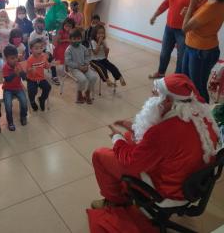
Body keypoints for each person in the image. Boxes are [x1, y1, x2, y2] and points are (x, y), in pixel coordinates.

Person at [91, 74, 219, 209]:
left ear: (169, 100)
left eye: (156, 93)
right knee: (130, 136)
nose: (152, 95)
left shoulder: (164, 132)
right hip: (191, 182)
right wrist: (134, 127)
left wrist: (117, 139)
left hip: (169, 191)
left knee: (100, 155)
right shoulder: (201, 115)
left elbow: (131, 164)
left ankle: (115, 201)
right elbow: (164, 140)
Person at [149, 0, 207, 78]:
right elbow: (167, 2)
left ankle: (177, 79)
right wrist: (155, 14)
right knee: (164, 53)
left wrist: (190, 12)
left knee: (181, 57)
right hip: (169, 27)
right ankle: (161, 73)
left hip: (184, 30)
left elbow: (202, 13)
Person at [182, 0, 224, 103]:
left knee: (197, 87)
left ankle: (204, 117)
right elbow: (202, 21)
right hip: (196, 48)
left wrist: (191, 5)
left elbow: (185, 28)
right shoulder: (215, 2)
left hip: (201, 51)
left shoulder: (213, 6)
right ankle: (191, 112)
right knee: (187, 81)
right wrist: (191, 12)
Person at [65, 29, 97, 104]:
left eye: (78, 38)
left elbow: (87, 57)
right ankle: (79, 94)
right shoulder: (68, 50)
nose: (76, 41)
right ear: (70, 39)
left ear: (81, 39)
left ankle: (87, 92)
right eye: (74, 39)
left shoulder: (83, 47)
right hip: (74, 69)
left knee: (94, 77)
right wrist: (79, 67)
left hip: (84, 66)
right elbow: (68, 62)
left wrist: (86, 64)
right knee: (83, 80)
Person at [2, 45, 28, 131]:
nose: (15, 60)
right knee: (8, 105)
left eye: (16, 57)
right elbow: (7, 80)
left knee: (24, 102)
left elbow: (24, 78)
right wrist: (14, 73)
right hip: (8, 89)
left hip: (18, 87)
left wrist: (22, 73)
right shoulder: (5, 67)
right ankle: (10, 122)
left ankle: (23, 117)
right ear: (6, 59)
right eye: (12, 58)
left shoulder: (18, 65)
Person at [29, 17, 60, 85]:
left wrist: (48, 52)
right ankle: (36, 77)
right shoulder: (32, 35)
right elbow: (31, 47)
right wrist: (37, 54)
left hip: (44, 50)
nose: (40, 29)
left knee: (52, 59)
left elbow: (48, 44)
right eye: (38, 27)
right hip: (36, 52)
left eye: (42, 27)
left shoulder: (45, 33)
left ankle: (54, 76)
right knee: (37, 62)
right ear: (34, 26)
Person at [26, 38, 52, 111]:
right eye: (36, 48)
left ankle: (42, 99)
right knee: (32, 91)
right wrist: (31, 70)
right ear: (31, 49)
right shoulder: (30, 59)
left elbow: (46, 66)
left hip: (41, 78)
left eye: (41, 48)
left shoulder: (43, 56)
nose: (39, 50)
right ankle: (32, 101)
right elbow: (27, 71)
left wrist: (50, 65)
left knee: (48, 87)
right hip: (31, 79)